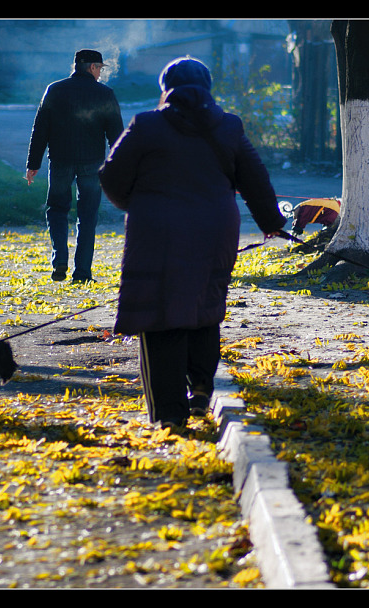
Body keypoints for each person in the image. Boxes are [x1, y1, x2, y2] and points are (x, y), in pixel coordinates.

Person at [99, 56, 285, 430]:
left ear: (166, 89)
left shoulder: (146, 125)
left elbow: (111, 175)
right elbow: (256, 178)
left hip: (157, 231)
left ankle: (170, 414)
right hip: (215, 228)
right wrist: (271, 223)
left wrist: (134, 202)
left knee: (159, 314)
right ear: (208, 88)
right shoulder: (229, 126)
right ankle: (201, 387)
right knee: (205, 303)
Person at [26, 49, 124, 283]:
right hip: (92, 164)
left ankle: (60, 258)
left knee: (57, 210)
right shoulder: (105, 93)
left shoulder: (55, 90)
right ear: (91, 67)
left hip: (60, 161)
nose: (100, 73)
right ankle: (82, 274)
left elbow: (40, 129)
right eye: (99, 68)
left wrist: (33, 164)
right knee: (88, 216)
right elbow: (117, 135)